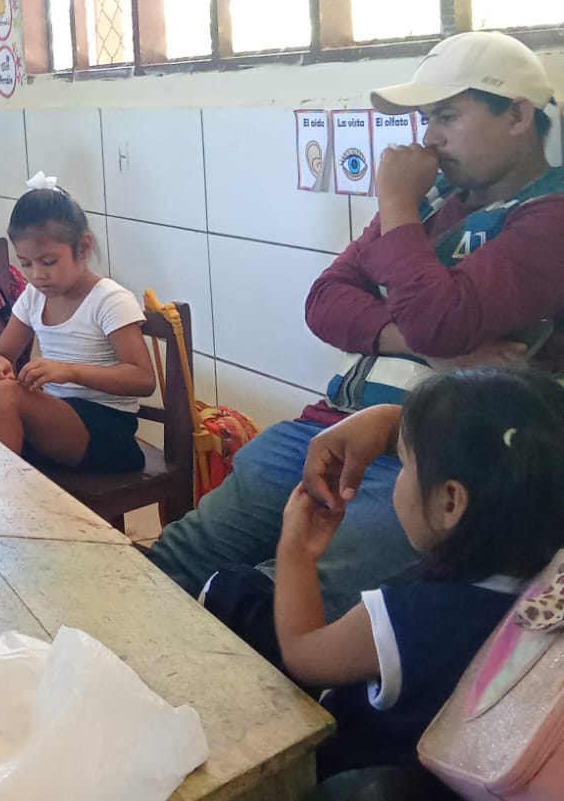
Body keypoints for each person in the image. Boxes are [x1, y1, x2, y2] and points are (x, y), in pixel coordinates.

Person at [149, 31, 564, 619]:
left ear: (518, 115)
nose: (430, 138)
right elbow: (325, 301)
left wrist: (395, 205)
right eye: (426, 119)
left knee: (265, 609)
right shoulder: (432, 200)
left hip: (427, 463)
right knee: (176, 559)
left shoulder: (547, 215)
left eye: (447, 116)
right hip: (330, 427)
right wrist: (436, 350)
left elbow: (440, 321)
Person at [206, 370, 564, 789]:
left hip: (357, 776)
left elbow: (304, 655)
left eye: (405, 465)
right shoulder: (546, 584)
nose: (397, 477)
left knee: (230, 588)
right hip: (466, 773)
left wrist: (296, 551)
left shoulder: (412, 615)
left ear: (450, 502)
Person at [0, 181, 156, 471]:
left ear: (83, 248)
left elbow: (142, 379)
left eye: (48, 262)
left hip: (105, 430)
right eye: (26, 263)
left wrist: (70, 371)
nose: (37, 275)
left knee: (5, 396)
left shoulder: (109, 299)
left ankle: (4, 491)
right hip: (51, 413)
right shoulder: (34, 296)